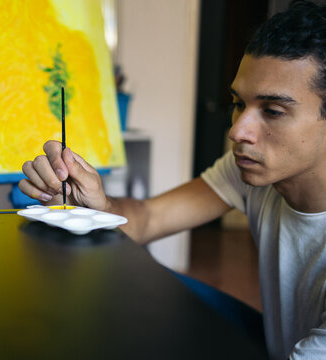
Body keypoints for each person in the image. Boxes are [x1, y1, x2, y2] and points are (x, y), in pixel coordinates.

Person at [18, 1, 326, 359]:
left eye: (273, 111)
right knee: (152, 288)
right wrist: (95, 206)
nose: (237, 130)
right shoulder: (253, 171)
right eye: (238, 103)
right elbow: (150, 218)